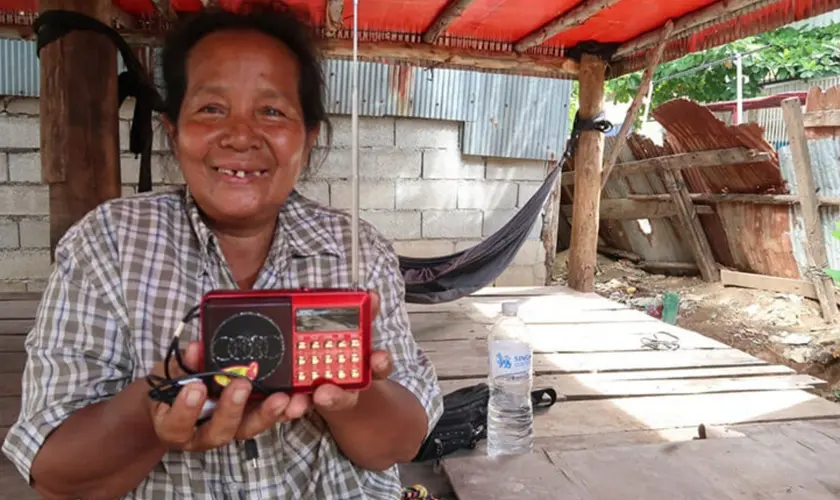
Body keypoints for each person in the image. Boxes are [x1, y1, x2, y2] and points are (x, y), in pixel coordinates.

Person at [1, 4, 443, 499]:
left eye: (272, 111)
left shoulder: (356, 252)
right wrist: (159, 400)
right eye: (211, 109)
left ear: (309, 136)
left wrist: (350, 394)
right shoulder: (107, 243)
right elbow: (55, 474)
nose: (239, 135)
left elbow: (400, 445)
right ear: (173, 129)